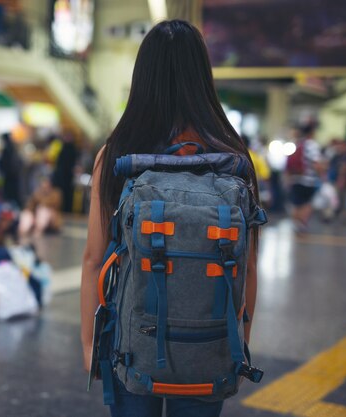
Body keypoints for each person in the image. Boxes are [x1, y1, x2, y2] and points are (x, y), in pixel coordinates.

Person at [80, 20, 260, 417]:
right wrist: (239, 346)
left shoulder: (118, 154)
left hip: (130, 343)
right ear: (202, 76)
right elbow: (246, 266)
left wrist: (90, 345)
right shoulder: (232, 158)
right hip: (210, 345)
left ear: (143, 76)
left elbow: (95, 259)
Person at [287, 124, 323, 233]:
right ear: (312, 132)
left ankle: (296, 224)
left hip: (295, 178)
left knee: (297, 204)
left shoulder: (298, 143)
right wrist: (321, 174)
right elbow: (316, 163)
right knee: (307, 203)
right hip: (308, 180)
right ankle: (302, 224)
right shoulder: (312, 145)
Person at [52, 132, 78, 213]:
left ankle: (66, 209)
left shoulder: (68, 149)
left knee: (66, 194)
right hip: (63, 176)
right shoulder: (66, 148)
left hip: (67, 177)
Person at [0, 133, 23, 207]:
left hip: (9, 177)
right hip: (15, 177)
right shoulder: (14, 148)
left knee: (9, 197)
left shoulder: (7, 149)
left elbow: (3, 164)